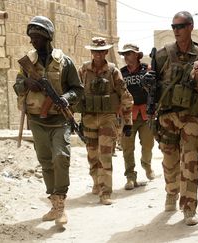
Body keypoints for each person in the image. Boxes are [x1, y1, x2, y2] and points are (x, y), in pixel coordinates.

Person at [143, 11, 198, 225]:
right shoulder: (162, 55)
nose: (176, 31)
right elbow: (152, 87)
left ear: (190, 27)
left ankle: (189, 207)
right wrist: (148, 81)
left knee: (190, 161)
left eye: (180, 26)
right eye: (173, 27)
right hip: (167, 116)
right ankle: (172, 191)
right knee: (170, 162)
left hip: (192, 116)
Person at [13, 16, 84, 226]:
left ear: (47, 37)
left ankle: (61, 204)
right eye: (31, 37)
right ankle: (54, 205)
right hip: (36, 119)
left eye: (37, 37)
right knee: (45, 161)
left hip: (59, 119)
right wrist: (26, 82)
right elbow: (17, 86)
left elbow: (78, 90)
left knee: (61, 157)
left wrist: (65, 98)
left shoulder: (65, 62)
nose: (32, 41)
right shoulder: (28, 62)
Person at [78, 37, 133, 205]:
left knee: (105, 155)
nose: (98, 55)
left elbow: (125, 95)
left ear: (106, 52)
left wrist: (128, 121)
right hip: (88, 117)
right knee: (92, 154)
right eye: (95, 51)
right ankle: (96, 182)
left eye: (101, 51)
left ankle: (105, 192)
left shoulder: (113, 71)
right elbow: (76, 92)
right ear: (91, 52)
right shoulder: (84, 70)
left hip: (107, 117)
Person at [118, 43, 155, 190]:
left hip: (146, 114)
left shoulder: (147, 69)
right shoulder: (121, 73)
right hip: (128, 115)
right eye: (124, 54)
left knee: (148, 145)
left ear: (136, 55)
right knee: (127, 147)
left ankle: (147, 165)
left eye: (129, 54)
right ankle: (130, 177)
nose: (126, 57)